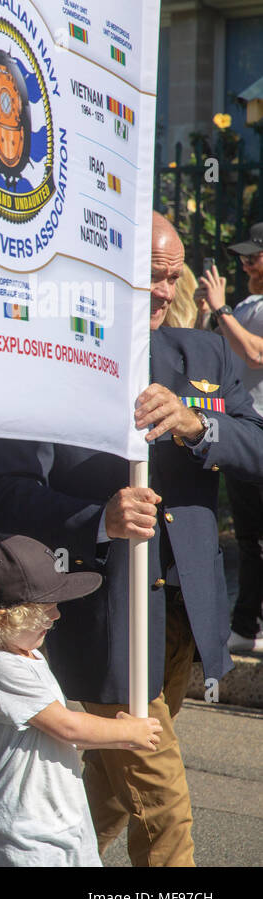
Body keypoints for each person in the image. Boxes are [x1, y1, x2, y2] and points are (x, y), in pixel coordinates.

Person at [0, 211, 263, 867]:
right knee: (164, 802)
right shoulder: (48, 358)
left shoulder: (203, 352)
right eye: (150, 279)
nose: (165, 293)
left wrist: (199, 427)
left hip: (183, 614)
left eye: (173, 277)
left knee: (110, 792)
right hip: (106, 613)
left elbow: (256, 443)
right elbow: (3, 491)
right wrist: (98, 519)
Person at [0, 534, 162, 867]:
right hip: (25, 833)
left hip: (58, 817)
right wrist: (127, 733)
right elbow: (67, 727)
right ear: (2, 619)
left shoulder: (26, 655)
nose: (56, 616)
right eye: (43, 611)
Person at [201, 222, 263, 654]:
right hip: (242, 427)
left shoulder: (243, 307)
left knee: (254, 536)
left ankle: (249, 624)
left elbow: (256, 354)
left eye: (253, 256)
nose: (244, 264)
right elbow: (217, 350)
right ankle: (248, 624)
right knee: (249, 535)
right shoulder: (247, 304)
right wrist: (210, 312)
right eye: (242, 256)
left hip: (257, 429)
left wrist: (222, 311)